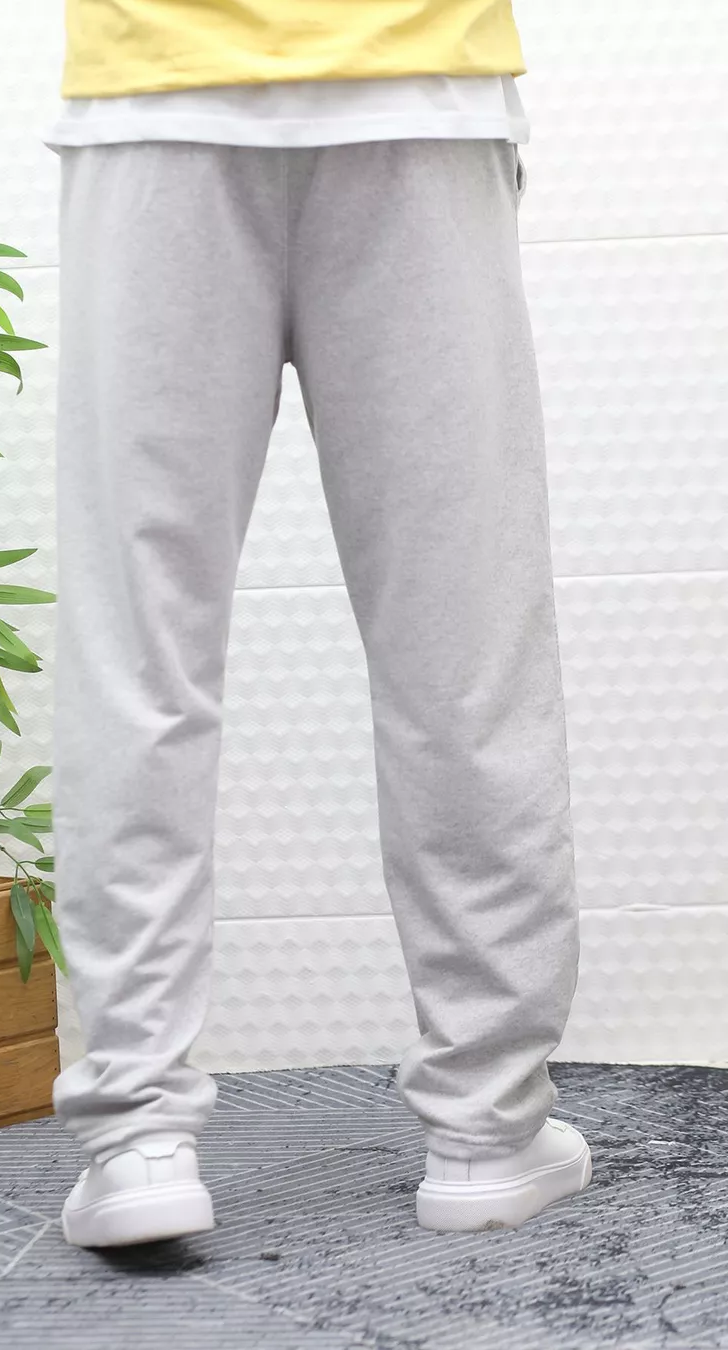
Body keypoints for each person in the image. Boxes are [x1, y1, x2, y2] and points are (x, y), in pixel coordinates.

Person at [44, 0, 593, 1247]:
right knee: (464, 645)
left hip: (154, 91)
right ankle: (489, 1124)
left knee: (140, 652)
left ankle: (136, 1137)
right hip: (416, 75)